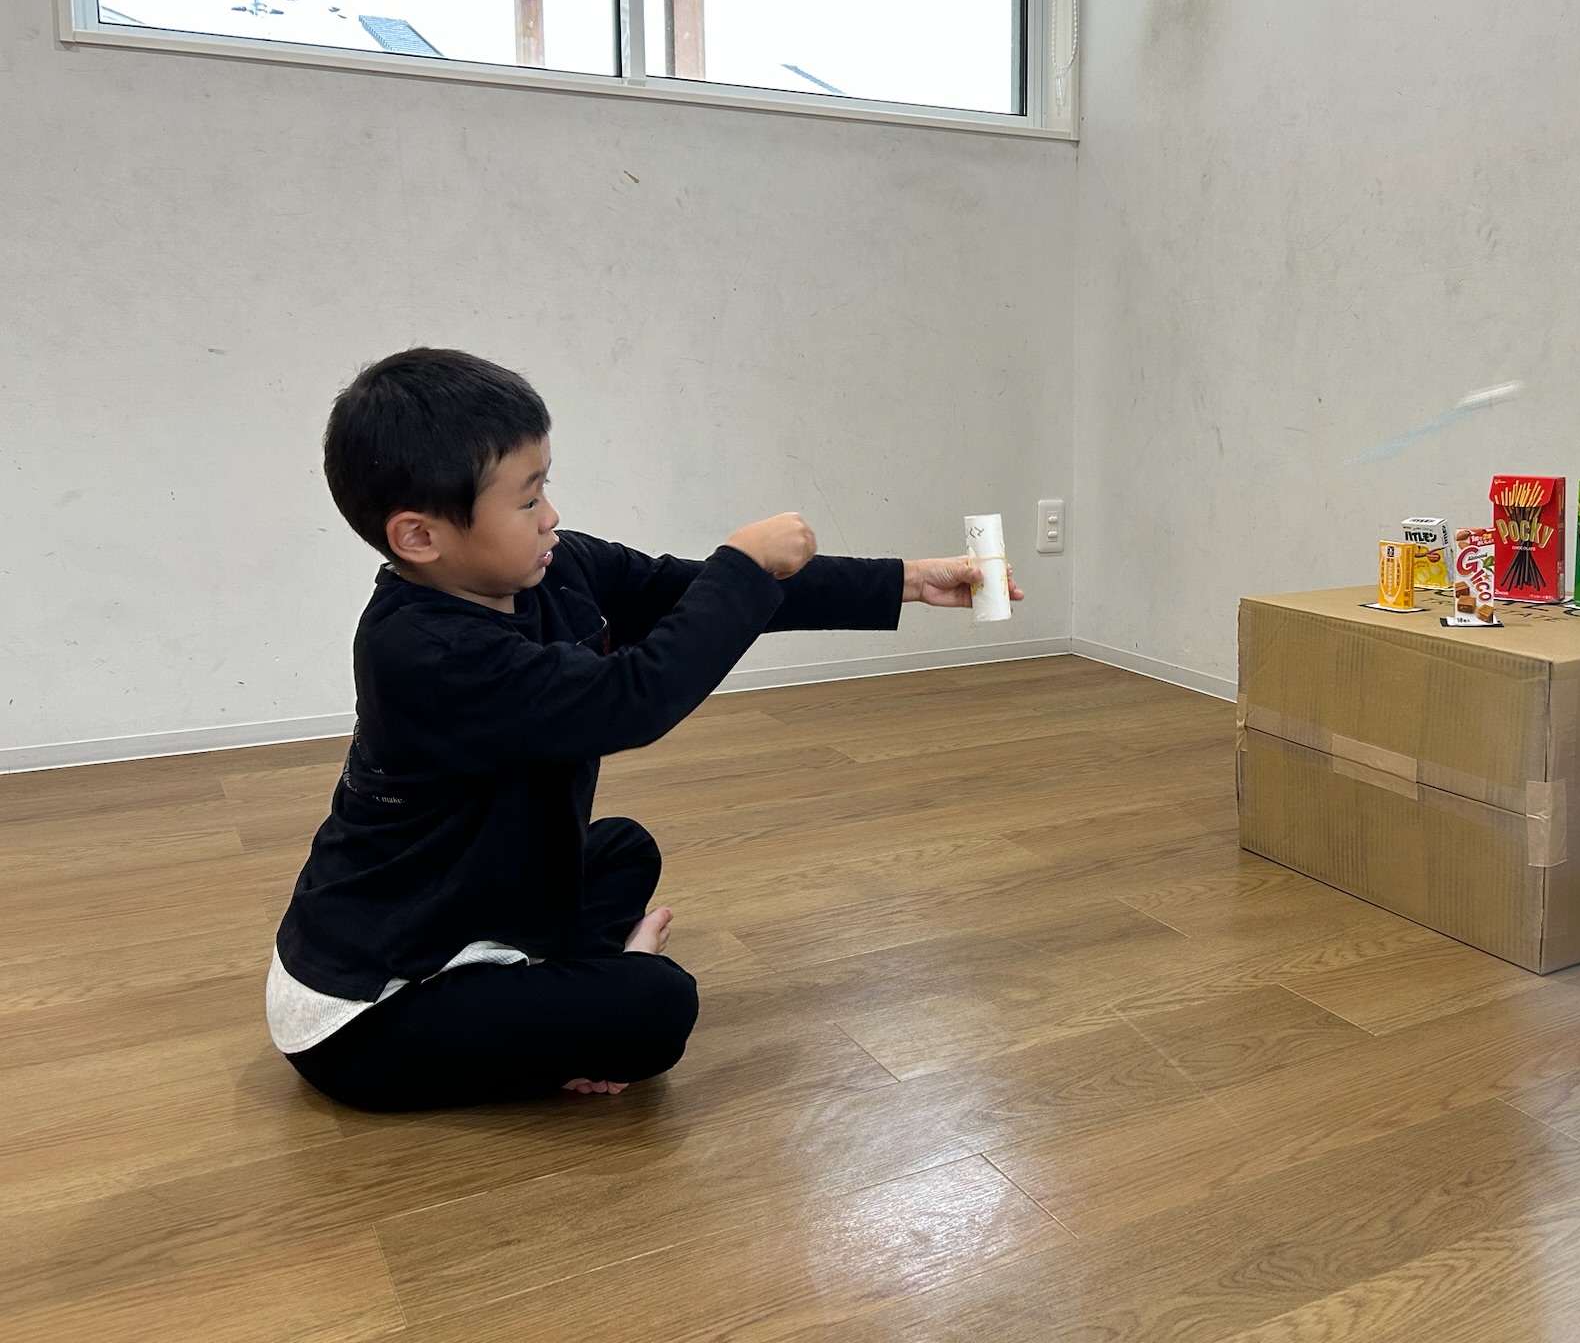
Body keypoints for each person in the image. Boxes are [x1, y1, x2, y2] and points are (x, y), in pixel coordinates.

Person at [268, 348, 1020, 1111]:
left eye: (545, 487)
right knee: (658, 1005)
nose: (550, 516)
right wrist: (744, 563)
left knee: (624, 848)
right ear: (419, 537)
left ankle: (558, 1002)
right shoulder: (421, 652)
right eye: (526, 500)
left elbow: (686, 593)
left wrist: (906, 580)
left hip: (470, 906)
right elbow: (636, 698)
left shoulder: (551, 568)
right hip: (371, 1003)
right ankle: (581, 1006)